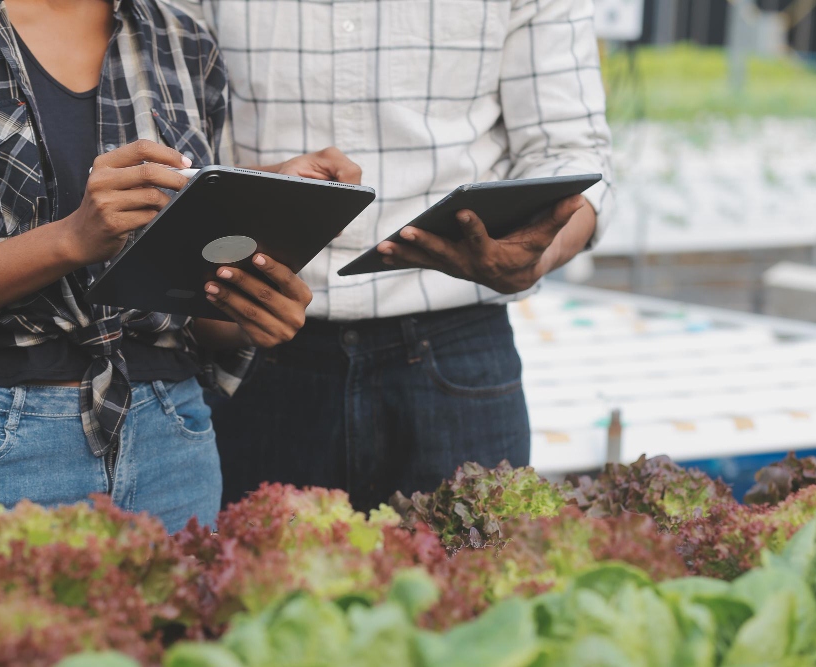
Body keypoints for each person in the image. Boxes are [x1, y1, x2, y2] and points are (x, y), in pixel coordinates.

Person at [0, 0, 356, 535]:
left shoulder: (184, 36)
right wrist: (69, 240)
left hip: (174, 442)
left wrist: (251, 304)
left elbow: (189, 311)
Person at [183, 0, 614, 509]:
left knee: (477, 583)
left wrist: (534, 259)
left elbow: (572, 151)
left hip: (455, 348)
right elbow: (179, 142)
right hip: (252, 345)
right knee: (257, 585)